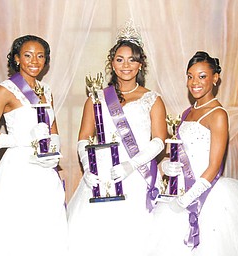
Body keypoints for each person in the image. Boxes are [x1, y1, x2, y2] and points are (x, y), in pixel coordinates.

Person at [148, 51, 238, 256]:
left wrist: (185, 200)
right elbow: (178, 152)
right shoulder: (187, 112)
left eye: (202, 76)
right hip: (179, 189)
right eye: (190, 76)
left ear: (215, 78)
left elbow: (214, 166)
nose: (194, 82)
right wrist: (165, 165)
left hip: (206, 194)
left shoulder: (218, 115)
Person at [67, 20, 167, 256]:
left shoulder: (152, 99)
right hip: (102, 176)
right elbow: (83, 138)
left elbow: (160, 140)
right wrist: (88, 167)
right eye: (120, 59)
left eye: (132, 59)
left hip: (137, 175)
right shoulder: (97, 98)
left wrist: (131, 166)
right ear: (112, 63)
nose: (126, 65)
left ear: (140, 64)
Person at [0, 35, 69, 256]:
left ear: (46, 61)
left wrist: (54, 153)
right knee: (15, 230)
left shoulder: (46, 90)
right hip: (18, 169)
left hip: (44, 169)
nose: (34, 61)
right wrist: (21, 141)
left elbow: (53, 131)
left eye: (40, 56)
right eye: (27, 55)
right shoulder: (4, 90)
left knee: (44, 229)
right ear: (17, 59)